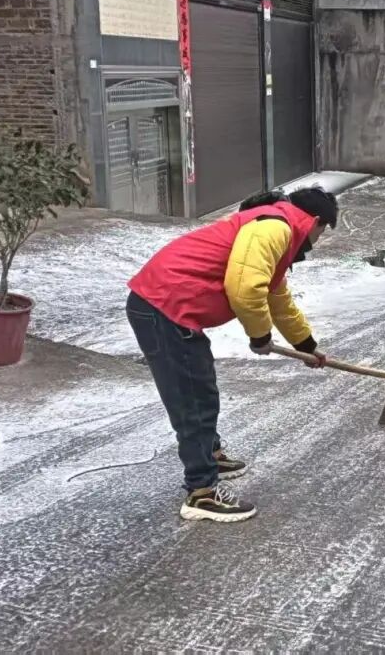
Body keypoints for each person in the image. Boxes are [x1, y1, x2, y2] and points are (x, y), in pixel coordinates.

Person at [126, 186, 338, 521]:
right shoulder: (275, 228)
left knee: (202, 388)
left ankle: (209, 454)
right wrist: (260, 337)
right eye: (322, 232)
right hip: (162, 306)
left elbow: (277, 299)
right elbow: (246, 289)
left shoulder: (275, 229)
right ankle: (202, 492)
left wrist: (307, 346)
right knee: (192, 399)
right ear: (314, 221)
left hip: (170, 307)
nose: (318, 240)